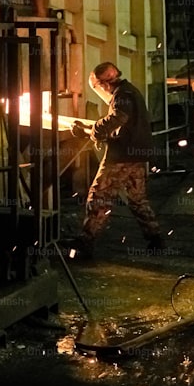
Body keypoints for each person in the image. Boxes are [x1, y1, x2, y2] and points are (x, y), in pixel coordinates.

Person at [65, 62, 164, 259]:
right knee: (137, 199)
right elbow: (120, 126)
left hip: (121, 157)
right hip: (136, 155)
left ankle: (86, 242)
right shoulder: (129, 91)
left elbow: (118, 118)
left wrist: (95, 130)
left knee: (98, 196)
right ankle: (156, 239)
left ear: (104, 83)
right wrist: (94, 132)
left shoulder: (123, 95)